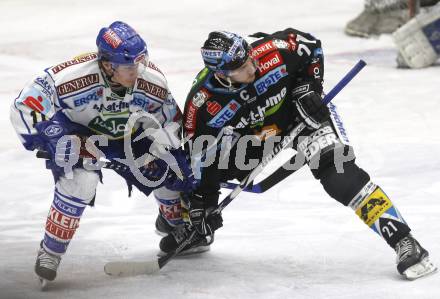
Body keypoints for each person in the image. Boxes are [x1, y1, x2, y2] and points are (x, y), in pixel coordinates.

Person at [161, 29, 437, 280]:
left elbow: (311, 46)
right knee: (192, 174)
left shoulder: (272, 52)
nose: (253, 65)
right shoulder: (203, 104)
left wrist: (309, 90)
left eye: (249, 57)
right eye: (243, 67)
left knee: (339, 176)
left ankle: (404, 241)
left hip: (302, 117)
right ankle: (194, 229)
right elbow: (201, 157)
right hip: (258, 135)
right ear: (223, 75)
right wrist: (204, 204)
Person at [9, 21, 205, 285]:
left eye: (138, 63)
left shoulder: (152, 81)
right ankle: (51, 251)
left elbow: (172, 121)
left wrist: (157, 149)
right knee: (81, 181)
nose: (135, 71)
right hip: (78, 131)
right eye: (127, 66)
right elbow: (24, 106)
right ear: (107, 64)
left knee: (168, 167)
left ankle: (175, 224)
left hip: (129, 135)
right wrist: (53, 138)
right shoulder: (69, 77)